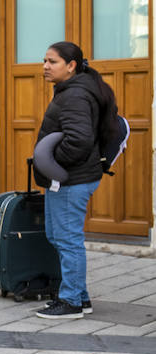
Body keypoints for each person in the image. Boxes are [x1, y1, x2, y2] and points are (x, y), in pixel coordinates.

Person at [33, 41, 115, 319]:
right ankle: (80, 296)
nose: (45, 66)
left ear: (71, 66)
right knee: (58, 236)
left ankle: (71, 303)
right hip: (69, 178)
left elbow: (78, 141)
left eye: (52, 61)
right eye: (44, 60)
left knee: (67, 240)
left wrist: (56, 167)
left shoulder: (75, 95)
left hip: (71, 179)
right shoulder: (71, 90)